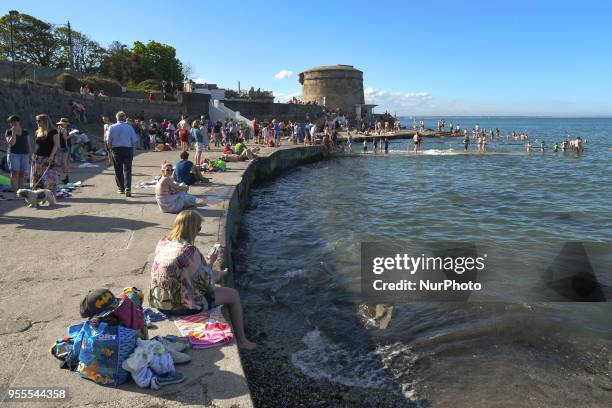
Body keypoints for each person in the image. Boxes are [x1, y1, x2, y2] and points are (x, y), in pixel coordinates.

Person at [149, 210, 256, 349]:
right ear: (193, 228)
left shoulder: (162, 243)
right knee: (233, 295)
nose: (199, 231)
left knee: (209, 274)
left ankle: (220, 273)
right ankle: (242, 340)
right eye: (198, 228)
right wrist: (210, 263)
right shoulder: (189, 251)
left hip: (159, 303)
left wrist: (206, 268)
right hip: (180, 307)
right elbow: (207, 286)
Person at [107, 111, 139, 197]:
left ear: (116, 118)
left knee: (118, 169)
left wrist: (110, 151)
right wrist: (133, 150)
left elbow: (109, 141)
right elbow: (134, 140)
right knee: (128, 170)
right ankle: (128, 188)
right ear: (124, 118)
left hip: (116, 149)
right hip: (127, 149)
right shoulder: (129, 127)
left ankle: (121, 188)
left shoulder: (111, 127)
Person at [31, 114, 60, 192]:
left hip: (48, 157)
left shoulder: (53, 131)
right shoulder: (38, 131)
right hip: (38, 157)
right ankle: (39, 193)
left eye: (39, 121)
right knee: (37, 176)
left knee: (50, 176)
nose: (37, 122)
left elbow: (56, 144)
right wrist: (34, 153)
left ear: (45, 121)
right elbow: (37, 144)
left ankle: (51, 193)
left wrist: (51, 156)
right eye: (37, 121)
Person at [5, 115, 32, 192]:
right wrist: (13, 133)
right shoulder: (9, 131)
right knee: (14, 173)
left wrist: (30, 155)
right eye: (11, 122)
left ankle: (21, 191)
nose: (13, 124)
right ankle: (15, 192)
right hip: (13, 154)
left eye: (14, 121)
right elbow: (11, 143)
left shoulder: (25, 132)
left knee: (22, 173)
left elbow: (28, 144)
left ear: (18, 122)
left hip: (24, 155)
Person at [55, 118, 71, 182]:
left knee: (62, 160)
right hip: (64, 146)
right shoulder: (63, 130)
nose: (66, 125)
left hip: (60, 145)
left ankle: (64, 172)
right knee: (64, 160)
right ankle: (66, 172)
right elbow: (65, 138)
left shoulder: (58, 128)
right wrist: (72, 135)